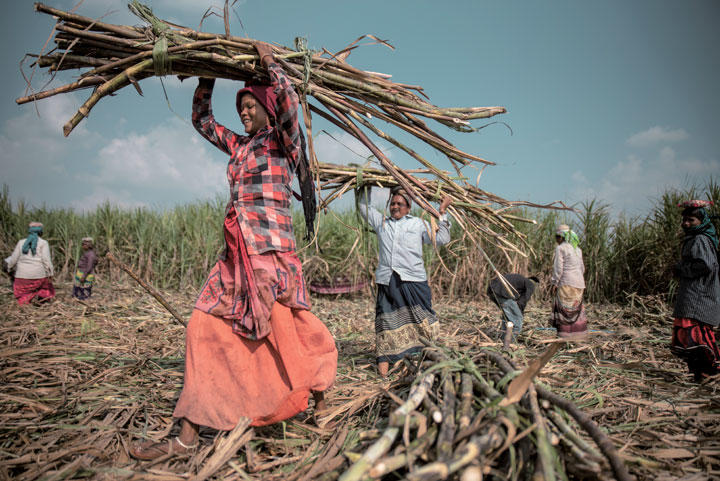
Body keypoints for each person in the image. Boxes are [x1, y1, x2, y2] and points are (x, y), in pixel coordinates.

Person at [131, 43, 337, 459]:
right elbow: (202, 120)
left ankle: (319, 397)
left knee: (291, 334)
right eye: (239, 105)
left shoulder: (284, 142)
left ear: (266, 106)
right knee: (201, 327)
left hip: (271, 257)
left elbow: (290, 106)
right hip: (235, 259)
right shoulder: (239, 146)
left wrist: (269, 65)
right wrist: (206, 73)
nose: (243, 111)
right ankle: (186, 436)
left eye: (250, 104)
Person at [357, 185, 452, 377]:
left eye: (400, 204)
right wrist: (367, 183)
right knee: (385, 323)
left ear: (408, 208)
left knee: (422, 322)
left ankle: (423, 362)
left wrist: (443, 213)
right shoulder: (381, 223)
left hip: (413, 281)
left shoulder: (417, 224)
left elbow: (442, 238)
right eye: (392, 203)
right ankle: (383, 375)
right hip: (388, 281)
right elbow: (362, 206)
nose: (395, 207)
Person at [670, 200, 720, 382]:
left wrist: (680, 268)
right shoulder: (699, 238)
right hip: (694, 295)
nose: (686, 223)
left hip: (698, 297)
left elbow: (703, 265)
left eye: (691, 220)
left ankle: (711, 372)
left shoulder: (699, 239)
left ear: (702, 222)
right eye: (684, 219)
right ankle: (700, 374)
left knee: (696, 336)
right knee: (689, 336)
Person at [549, 224, 587, 338]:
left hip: (566, 283)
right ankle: (577, 336)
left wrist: (555, 282)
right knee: (575, 309)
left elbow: (558, 269)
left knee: (565, 309)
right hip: (579, 284)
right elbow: (582, 268)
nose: (556, 240)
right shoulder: (577, 249)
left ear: (561, 237)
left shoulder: (560, 248)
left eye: (557, 237)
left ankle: (565, 336)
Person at [4, 221, 55, 304]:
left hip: (22, 277)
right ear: (41, 232)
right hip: (39, 276)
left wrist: (9, 269)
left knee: (22, 291)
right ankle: (40, 298)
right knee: (47, 287)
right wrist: (50, 274)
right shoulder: (44, 243)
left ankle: (25, 300)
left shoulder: (21, 242)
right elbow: (46, 261)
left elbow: (13, 259)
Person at [487, 273, 539, 340]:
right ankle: (510, 342)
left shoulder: (520, 281)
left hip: (492, 291)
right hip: (502, 293)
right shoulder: (530, 284)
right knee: (517, 321)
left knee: (507, 317)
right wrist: (520, 313)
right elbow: (522, 301)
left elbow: (518, 301)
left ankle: (503, 339)